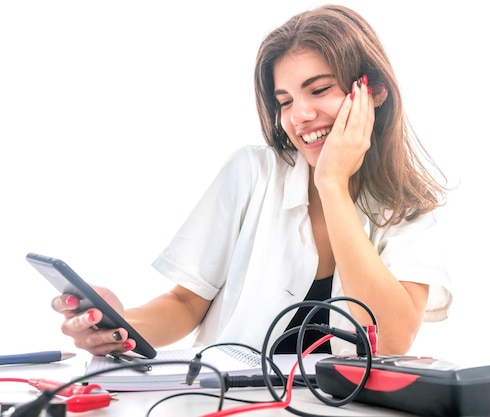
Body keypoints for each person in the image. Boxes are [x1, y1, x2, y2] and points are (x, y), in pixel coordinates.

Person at [51, 4, 452, 357]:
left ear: (373, 92)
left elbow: (393, 339)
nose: (300, 115)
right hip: (231, 399)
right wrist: (120, 324)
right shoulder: (251, 172)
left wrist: (332, 185)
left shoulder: (409, 210)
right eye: (286, 101)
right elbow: (187, 305)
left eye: (320, 89)